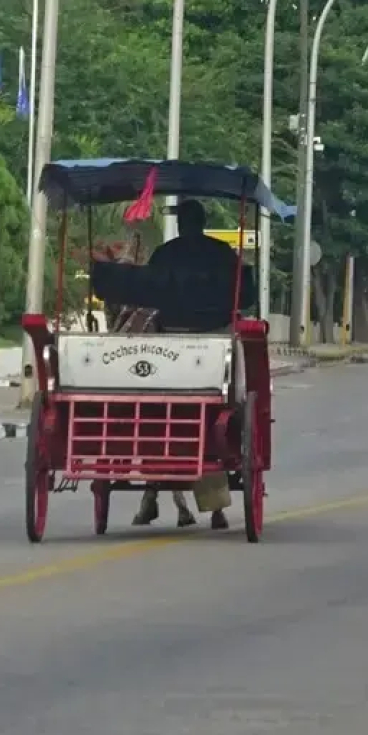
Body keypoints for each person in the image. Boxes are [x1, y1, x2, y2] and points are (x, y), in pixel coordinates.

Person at [132, 199, 238, 530]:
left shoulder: (164, 255)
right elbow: (241, 295)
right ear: (203, 222)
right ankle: (216, 508)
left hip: (169, 345)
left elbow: (148, 295)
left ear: (181, 224)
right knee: (214, 416)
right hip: (215, 343)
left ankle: (150, 495)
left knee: (155, 415)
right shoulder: (223, 254)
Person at [146, 199, 241, 334]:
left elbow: (149, 290)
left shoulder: (163, 252)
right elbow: (241, 288)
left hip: (171, 325)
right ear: (203, 222)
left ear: (179, 224)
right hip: (217, 325)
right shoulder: (222, 251)